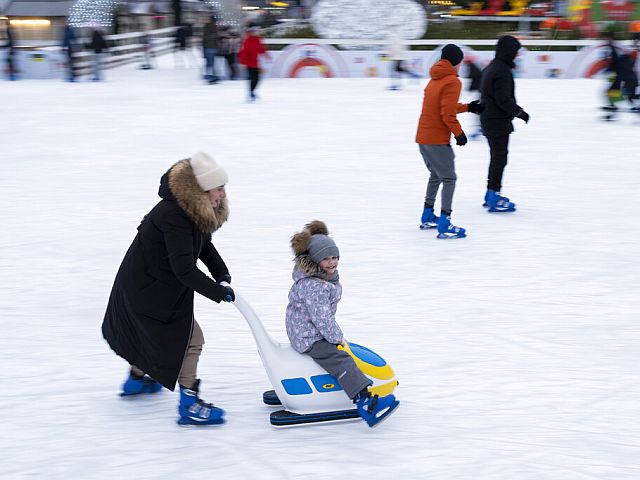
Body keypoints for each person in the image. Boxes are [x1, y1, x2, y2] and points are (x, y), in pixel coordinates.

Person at [102, 152, 236, 426]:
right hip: (148, 289)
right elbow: (184, 269)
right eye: (218, 188)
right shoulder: (174, 215)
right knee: (191, 339)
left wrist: (221, 273)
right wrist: (217, 292)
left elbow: (204, 245)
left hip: (150, 285)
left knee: (153, 336)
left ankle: (137, 380)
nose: (223, 194)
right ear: (202, 190)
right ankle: (189, 404)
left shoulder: (190, 209)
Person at [285, 220, 400, 427]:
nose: (332, 262)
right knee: (341, 359)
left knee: (342, 348)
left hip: (306, 330)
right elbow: (322, 319)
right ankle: (365, 402)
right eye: (326, 259)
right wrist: (336, 337)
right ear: (314, 260)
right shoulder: (314, 286)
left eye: (335, 257)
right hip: (307, 336)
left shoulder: (320, 278)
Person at [415, 44, 483, 239]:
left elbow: (445, 107)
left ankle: (427, 215)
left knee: (435, 175)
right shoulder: (453, 81)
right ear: (456, 62)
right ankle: (445, 222)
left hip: (423, 138)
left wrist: (469, 107)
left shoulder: (434, 79)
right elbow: (446, 113)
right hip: (437, 139)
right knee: (449, 178)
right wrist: (459, 133)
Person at [479, 35, 528, 213]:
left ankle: (490, 193)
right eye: (515, 52)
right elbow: (503, 100)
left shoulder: (491, 67)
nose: (516, 56)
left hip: (489, 119)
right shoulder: (502, 71)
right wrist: (520, 112)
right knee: (499, 159)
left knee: (497, 158)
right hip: (496, 121)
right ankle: (493, 196)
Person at [238, 25, 271, 102]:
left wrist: (266, 54)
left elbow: (260, 49)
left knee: (257, 78)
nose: (255, 32)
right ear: (250, 32)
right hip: (248, 62)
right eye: (253, 31)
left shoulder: (258, 39)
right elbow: (243, 52)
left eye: (256, 31)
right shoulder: (246, 40)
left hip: (255, 62)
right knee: (253, 78)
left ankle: (252, 92)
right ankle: (251, 93)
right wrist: (243, 62)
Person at [385, 24, 419, 91]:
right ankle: (412, 74)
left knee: (394, 70)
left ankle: (396, 85)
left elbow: (393, 47)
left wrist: (389, 54)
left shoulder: (393, 37)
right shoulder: (400, 37)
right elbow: (404, 47)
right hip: (400, 56)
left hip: (396, 57)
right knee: (398, 70)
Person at [201, 15, 219, 84]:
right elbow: (216, 37)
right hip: (213, 47)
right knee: (212, 64)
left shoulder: (207, 26)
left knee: (209, 64)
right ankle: (213, 77)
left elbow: (204, 38)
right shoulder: (214, 27)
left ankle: (211, 77)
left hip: (208, 48)